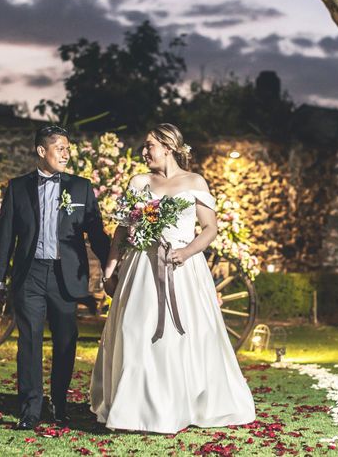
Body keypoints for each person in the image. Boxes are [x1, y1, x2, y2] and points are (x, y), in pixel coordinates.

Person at [90, 123, 255, 433]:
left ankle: (180, 406)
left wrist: (188, 251)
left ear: (167, 147)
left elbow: (210, 229)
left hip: (182, 269)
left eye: (148, 146)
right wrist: (110, 270)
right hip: (141, 266)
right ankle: (133, 408)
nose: (143, 152)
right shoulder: (139, 183)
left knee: (183, 338)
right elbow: (122, 233)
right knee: (134, 331)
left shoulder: (195, 182)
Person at [0, 125, 110, 430]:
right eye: (60, 149)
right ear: (41, 151)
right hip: (29, 274)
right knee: (28, 341)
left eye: (69, 149)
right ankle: (30, 409)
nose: (67, 155)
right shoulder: (17, 188)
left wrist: (116, 263)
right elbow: (5, 235)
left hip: (65, 276)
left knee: (66, 341)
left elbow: (96, 233)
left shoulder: (81, 188)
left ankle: (59, 403)